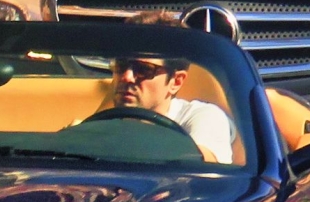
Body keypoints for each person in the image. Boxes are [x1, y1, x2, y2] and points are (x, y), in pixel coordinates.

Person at [94, 14, 237, 164]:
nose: (127, 77)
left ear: (176, 81)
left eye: (143, 69)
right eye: (121, 66)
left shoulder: (202, 116)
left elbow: (205, 166)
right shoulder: (101, 126)